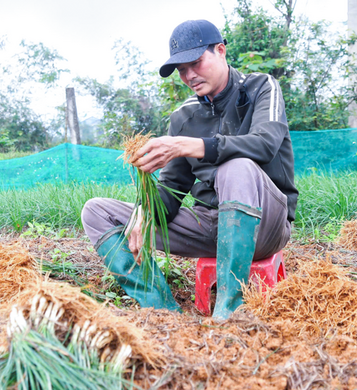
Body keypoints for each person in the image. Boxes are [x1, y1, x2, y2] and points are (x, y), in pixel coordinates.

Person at [81, 19, 297, 320]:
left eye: (196, 63)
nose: (190, 75)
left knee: (235, 167)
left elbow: (265, 144)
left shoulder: (261, 87)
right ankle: (162, 311)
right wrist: (147, 209)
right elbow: (172, 190)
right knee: (96, 211)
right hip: (211, 226)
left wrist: (188, 145)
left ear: (220, 50)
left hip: (265, 225)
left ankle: (229, 311)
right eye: (182, 70)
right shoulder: (183, 117)